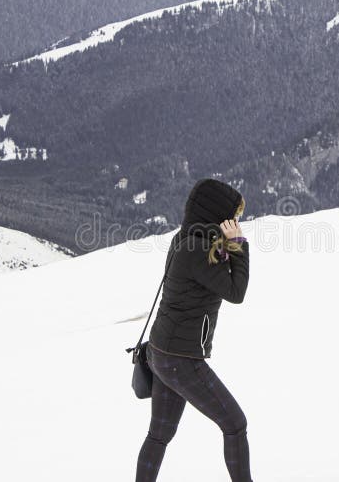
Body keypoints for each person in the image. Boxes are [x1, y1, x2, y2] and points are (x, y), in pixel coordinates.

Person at [136, 178, 253, 482]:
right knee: (235, 424)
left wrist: (228, 245)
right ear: (217, 214)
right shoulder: (198, 248)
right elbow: (236, 291)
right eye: (233, 216)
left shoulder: (186, 238)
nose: (237, 222)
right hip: (179, 359)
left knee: (159, 435)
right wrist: (240, 245)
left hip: (161, 352)